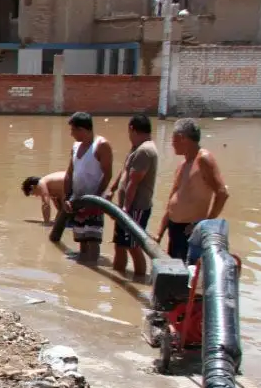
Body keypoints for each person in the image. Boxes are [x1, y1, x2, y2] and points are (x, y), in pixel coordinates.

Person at [156, 118, 229, 262]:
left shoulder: (203, 159)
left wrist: (203, 226)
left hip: (190, 230)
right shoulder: (182, 165)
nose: (172, 144)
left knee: (188, 272)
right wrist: (159, 233)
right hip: (174, 229)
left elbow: (222, 193)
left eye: (173, 139)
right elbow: (172, 201)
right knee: (174, 270)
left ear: (182, 138)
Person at [107, 114, 159, 277]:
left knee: (133, 246)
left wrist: (125, 209)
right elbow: (125, 170)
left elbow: (134, 182)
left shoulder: (145, 151)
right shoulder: (137, 148)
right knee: (119, 245)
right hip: (128, 207)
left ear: (132, 129)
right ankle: (117, 279)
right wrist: (113, 188)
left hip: (135, 208)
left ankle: (140, 280)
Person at [62, 112, 114, 263]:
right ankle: (83, 266)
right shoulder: (75, 146)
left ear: (82, 129)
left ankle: (93, 266)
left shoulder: (101, 145)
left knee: (93, 238)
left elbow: (108, 174)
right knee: (81, 238)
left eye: (73, 130)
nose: (71, 134)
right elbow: (69, 173)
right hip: (77, 200)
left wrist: (95, 199)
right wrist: (66, 197)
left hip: (94, 201)